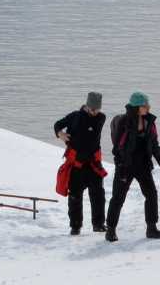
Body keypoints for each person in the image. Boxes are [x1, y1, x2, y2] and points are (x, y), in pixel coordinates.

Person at [105, 92, 160, 242]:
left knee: (151, 194)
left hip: (143, 165)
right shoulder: (124, 122)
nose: (149, 107)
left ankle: (151, 228)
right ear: (137, 107)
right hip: (125, 166)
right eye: (145, 105)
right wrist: (120, 164)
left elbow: (154, 144)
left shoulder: (150, 122)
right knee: (118, 198)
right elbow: (117, 148)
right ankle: (111, 230)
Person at [53, 92, 108, 235]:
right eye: (93, 109)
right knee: (75, 196)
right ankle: (75, 226)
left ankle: (98, 224)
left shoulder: (101, 118)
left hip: (93, 164)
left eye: (97, 109)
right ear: (87, 106)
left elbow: (90, 133)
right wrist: (61, 135)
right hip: (76, 164)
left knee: (98, 195)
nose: (95, 112)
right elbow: (57, 125)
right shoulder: (75, 116)